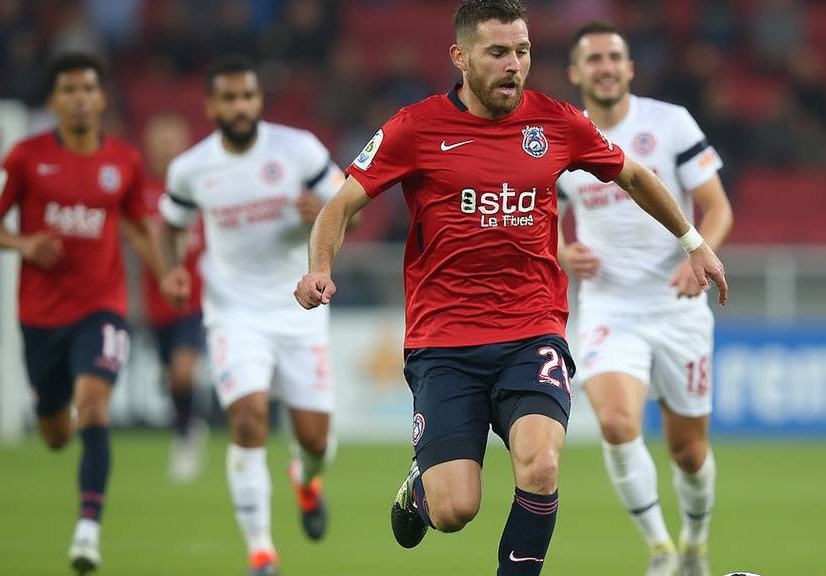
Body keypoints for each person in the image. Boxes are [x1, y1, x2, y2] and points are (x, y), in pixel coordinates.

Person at [293, 2, 729, 575]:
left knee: (541, 466)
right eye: (497, 52)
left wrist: (693, 241)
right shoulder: (414, 127)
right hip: (444, 342)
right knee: (455, 509)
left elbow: (634, 175)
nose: (513, 65)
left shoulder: (556, 122)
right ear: (461, 56)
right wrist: (319, 266)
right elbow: (341, 203)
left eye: (522, 52)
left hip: (533, 331)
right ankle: (421, 491)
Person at [0, 52, 170, 575]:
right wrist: (22, 243)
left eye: (89, 87)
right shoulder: (24, 157)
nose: (80, 97)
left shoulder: (124, 161)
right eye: (69, 89)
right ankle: (51, 407)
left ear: (102, 97)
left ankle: (87, 531)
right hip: (40, 316)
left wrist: (163, 272)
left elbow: (135, 226)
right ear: (54, 100)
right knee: (56, 432)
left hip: (102, 308)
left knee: (95, 403)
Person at [556, 22, 734, 576]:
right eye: (594, 59)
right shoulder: (560, 133)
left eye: (615, 57)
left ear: (629, 68)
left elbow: (719, 208)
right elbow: (541, 211)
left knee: (688, 452)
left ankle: (695, 542)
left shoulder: (670, 123)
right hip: (608, 307)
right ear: (576, 73)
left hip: (677, 307)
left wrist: (695, 254)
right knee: (615, 424)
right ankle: (660, 550)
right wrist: (562, 250)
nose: (605, 67)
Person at [158, 55, 343, 576]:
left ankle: (306, 481)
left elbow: (346, 201)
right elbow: (169, 223)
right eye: (230, 98)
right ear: (212, 105)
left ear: (259, 100)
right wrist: (173, 269)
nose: (241, 107)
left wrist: (322, 214)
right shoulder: (191, 169)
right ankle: (261, 552)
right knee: (247, 419)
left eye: (249, 97)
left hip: (300, 306)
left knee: (315, 442)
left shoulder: (297, 149)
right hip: (233, 311)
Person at [137, 113, 208, 482]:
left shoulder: (200, 189)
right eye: (160, 143)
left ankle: (184, 439)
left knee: (183, 371)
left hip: (196, 301)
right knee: (172, 378)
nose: (166, 149)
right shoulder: (142, 191)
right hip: (157, 304)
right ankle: (188, 423)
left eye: (172, 142)